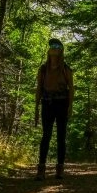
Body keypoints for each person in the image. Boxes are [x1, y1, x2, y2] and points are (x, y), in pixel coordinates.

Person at [35, 37, 74, 180]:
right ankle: (41, 169)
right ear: (48, 49)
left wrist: (70, 106)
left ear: (61, 50)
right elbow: (39, 87)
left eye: (57, 46)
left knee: (61, 137)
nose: (53, 47)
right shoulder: (43, 69)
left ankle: (60, 169)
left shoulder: (66, 68)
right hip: (47, 104)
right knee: (46, 136)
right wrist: (36, 107)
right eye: (52, 45)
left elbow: (71, 88)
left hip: (62, 104)